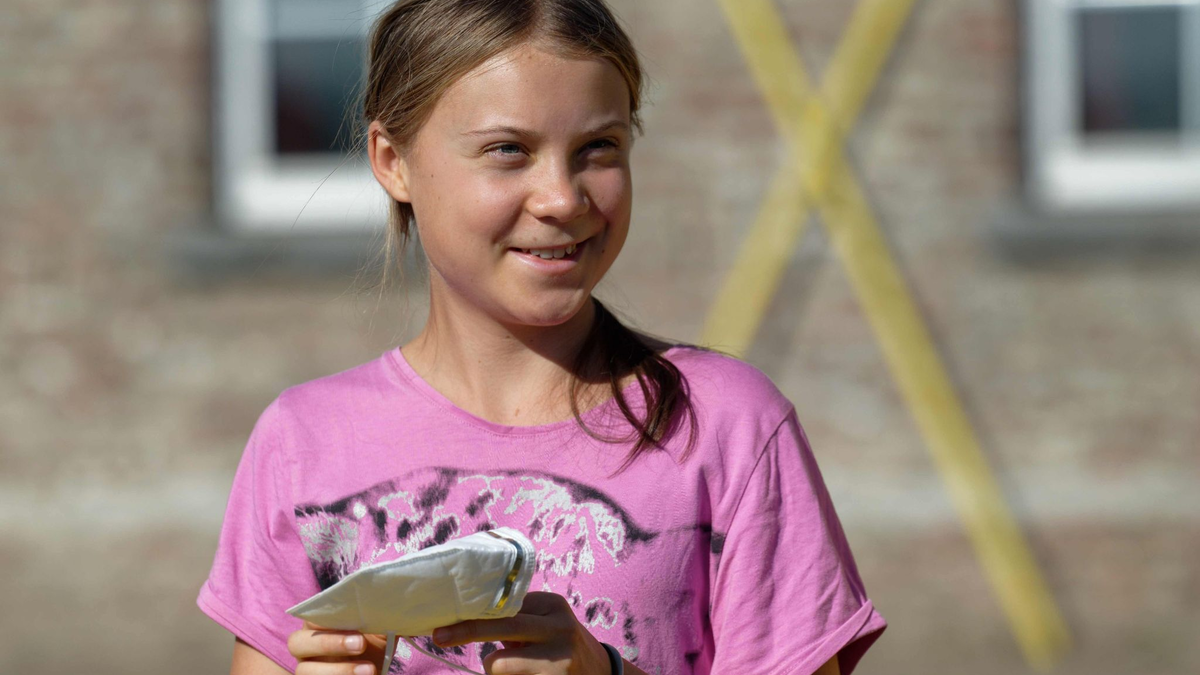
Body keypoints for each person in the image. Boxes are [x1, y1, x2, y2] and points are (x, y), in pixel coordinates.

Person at [197, 1, 886, 674]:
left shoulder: (729, 426)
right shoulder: (302, 443)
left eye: (598, 148)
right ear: (391, 160)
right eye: (508, 150)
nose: (561, 197)